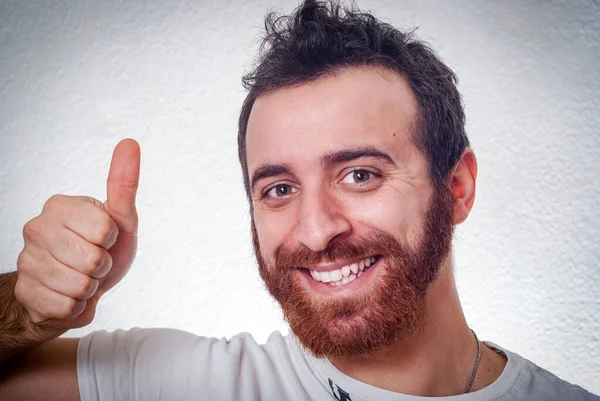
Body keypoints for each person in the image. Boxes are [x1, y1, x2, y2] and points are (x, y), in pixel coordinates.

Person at [0, 1, 598, 400]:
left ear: (458, 187)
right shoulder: (186, 384)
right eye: (279, 189)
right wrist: (28, 315)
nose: (314, 232)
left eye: (360, 174)